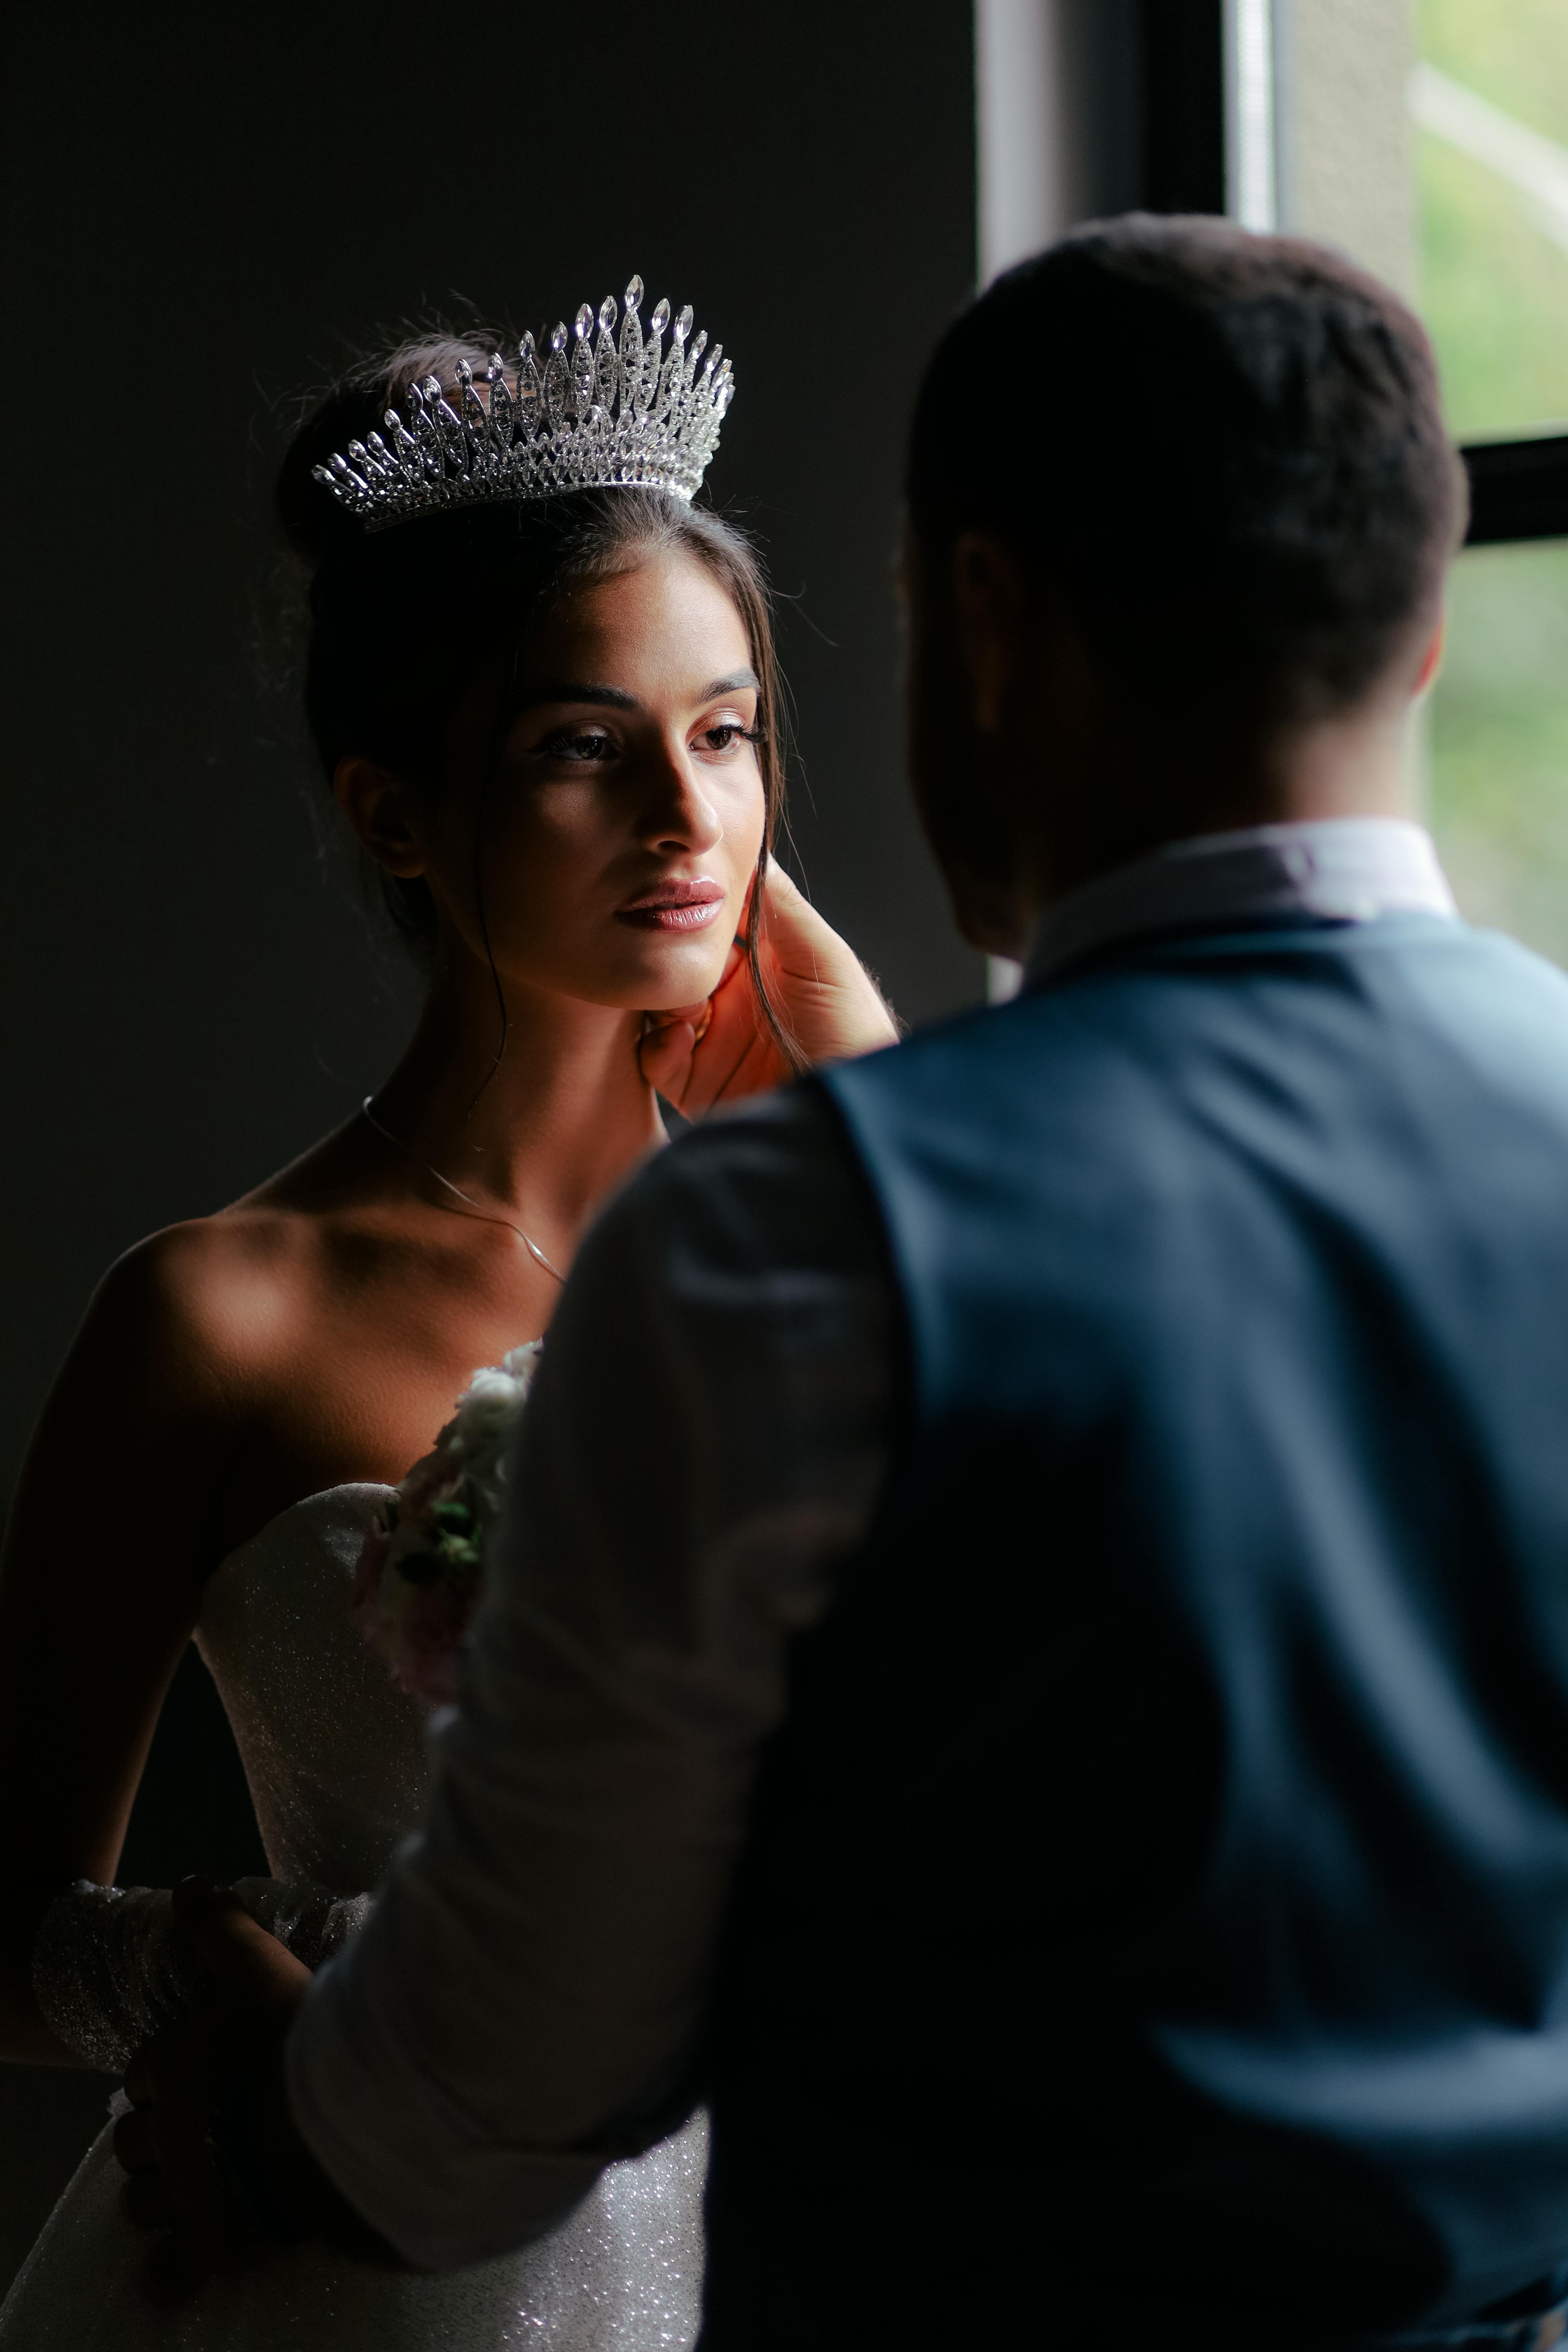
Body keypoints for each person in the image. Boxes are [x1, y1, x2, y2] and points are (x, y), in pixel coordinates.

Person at [123, 213, 1568, 2350]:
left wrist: (264, 2116)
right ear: (1425, 636)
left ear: (978, 620)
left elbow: (489, 2102)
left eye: (738, 723)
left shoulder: (794, 1242)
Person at [0, 277, 897, 2352]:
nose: (685, 819)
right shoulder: (221, 1312)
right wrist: (204, 1977)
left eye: (725, 733)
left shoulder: (842, 1247)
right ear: (394, 810)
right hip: (353, 2267)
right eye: (586, 749)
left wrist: (875, 1124)